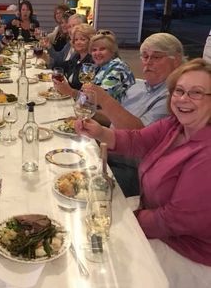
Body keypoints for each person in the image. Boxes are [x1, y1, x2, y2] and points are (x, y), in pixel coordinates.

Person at [75, 58, 211, 288]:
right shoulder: (175, 125)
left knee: (100, 263)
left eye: (196, 93)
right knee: (87, 219)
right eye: (179, 90)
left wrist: (125, 221)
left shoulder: (206, 155)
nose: (183, 99)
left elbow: (174, 220)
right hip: (151, 215)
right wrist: (100, 132)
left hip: (185, 249)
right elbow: (138, 140)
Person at [82, 32, 184, 196]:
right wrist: (88, 116)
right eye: (144, 56)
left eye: (156, 57)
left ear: (176, 61)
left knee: (80, 188)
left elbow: (139, 137)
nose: (148, 62)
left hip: (130, 167)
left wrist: (103, 98)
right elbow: (114, 120)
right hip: (107, 149)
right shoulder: (138, 87)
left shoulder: (174, 98)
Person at [87, 30, 135, 102]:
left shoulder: (118, 68)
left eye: (102, 49)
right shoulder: (99, 67)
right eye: (94, 50)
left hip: (115, 112)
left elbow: (100, 98)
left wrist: (72, 92)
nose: (97, 53)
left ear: (112, 50)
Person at [52, 23, 95, 94]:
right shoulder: (77, 57)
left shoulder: (90, 62)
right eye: (76, 39)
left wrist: (70, 91)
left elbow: (86, 94)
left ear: (91, 41)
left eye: (82, 39)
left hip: (78, 102)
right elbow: (60, 65)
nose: (78, 42)